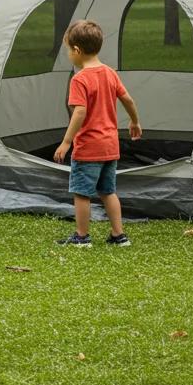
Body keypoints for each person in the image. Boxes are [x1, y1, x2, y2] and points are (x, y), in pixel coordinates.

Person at [53, 19, 142, 247]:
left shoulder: (80, 79)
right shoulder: (110, 73)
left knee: (82, 193)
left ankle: (82, 237)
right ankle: (118, 235)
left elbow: (80, 112)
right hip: (110, 146)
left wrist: (66, 141)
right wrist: (134, 121)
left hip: (89, 148)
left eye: (68, 51)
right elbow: (128, 99)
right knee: (108, 191)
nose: (68, 55)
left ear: (77, 50)